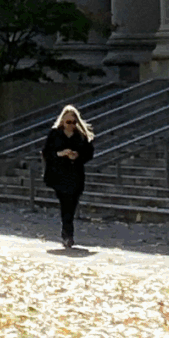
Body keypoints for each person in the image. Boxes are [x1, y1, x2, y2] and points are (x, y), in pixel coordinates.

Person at [40, 105, 94, 250]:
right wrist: (60, 153)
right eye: (68, 122)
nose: (71, 125)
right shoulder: (55, 134)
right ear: (62, 121)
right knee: (65, 203)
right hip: (59, 174)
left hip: (75, 174)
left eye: (74, 122)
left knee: (72, 203)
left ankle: (67, 232)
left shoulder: (81, 136)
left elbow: (89, 153)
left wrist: (77, 156)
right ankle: (67, 234)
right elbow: (46, 152)